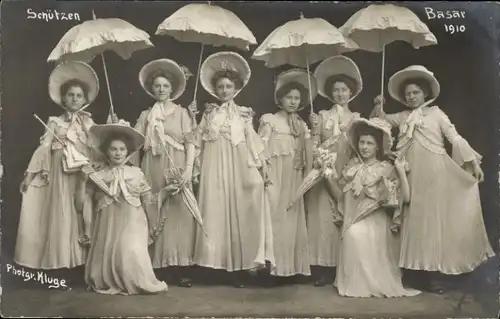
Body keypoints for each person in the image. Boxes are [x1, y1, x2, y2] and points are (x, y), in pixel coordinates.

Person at [371, 65, 495, 293]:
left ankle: (432, 272)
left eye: (415, 92)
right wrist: (378, 106)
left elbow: (454, 137)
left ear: (425, 93)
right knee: (412, 217)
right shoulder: (404, 116)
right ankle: (413, 271)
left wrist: (471, 163)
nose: (411, 97)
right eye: (408, 94)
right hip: (410, 173)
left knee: (431, 220)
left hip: (434, 172)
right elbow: (382, 120)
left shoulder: (436, 114)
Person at [187, 51, 275, 288]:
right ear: (215, 89)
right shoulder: (209, 113)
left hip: (238, 165)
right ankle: (214, 267)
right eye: (220, 86)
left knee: (241, 208)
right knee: (215, 211)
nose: (225, 90)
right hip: (214, 166)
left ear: (236, 88)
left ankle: (239, 266)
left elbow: (253, 143)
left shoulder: (244, 113)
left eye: (228, 86)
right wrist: (192, 116)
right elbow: (197, 140)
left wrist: (262, 168)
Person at [14, 61, 101, 285]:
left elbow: (97, 147)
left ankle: (82, 265)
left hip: (80, 176)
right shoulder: (54, 122)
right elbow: (43, 149)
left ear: (85, 99)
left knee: (82, 214)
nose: (74, 99)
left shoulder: (88, 123)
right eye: (70, 95)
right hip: (60, 177)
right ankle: (61, 265)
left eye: (78, 95)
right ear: (63, 99)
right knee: (62, 215)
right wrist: (30, 174)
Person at [331, 117, 421, 298]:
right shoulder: (352, 168)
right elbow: (340, 197)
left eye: (369, 143)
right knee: (351, 234)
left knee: (355, 235)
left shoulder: (385, 167)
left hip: (377, 221)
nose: (364, 147)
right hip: (355, 219)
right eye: (362, 142)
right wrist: (326, 175)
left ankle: (372, 284)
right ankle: (354, 284)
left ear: (377, 147)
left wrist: (401, 172)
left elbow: (406, 197)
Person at [79, 121, 169, 295]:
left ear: (128, 151)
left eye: (122, 149)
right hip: (109, 222)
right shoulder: (99, 175)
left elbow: (147, 200)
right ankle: (111, 280)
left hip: (134, 220)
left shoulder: (136, 174)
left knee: (132, 250)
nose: (118, 153)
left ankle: (137, 281)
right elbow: (83, 201)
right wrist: (83, 179)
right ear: (106, 151)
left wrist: (155, 216)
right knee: (113, 252)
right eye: (113, 149)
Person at [132, 59, 197, 288]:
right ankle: (156, 265)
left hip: (176, 166)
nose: (161, 90)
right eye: (157, 86)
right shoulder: (146, 116)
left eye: (165, 86)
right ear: (152, 89)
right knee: (155, 210)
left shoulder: (181, 113)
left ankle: (179, 266)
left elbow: (191, 143)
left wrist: (188, 169)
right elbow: (134, 142)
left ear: (172, 89)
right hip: (153, 166)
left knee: (178, 213)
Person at [306, 55, 363, 286]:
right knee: (323, 220)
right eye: (336, 90)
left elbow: (362, 144)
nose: (340, 94)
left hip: (348, 170)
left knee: (344, 217)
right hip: (325, 169)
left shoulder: (357, 117)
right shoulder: (322, 115)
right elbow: (316, 142)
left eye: (344, 90)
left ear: (351, 93)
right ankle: (322, 268)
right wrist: (315, 129)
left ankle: (344, 265)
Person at [257, 69, 315, 285]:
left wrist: (314, 131)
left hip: (294, 175)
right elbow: (260, 148)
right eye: (289, 97)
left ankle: (292, 268)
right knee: (275, 218)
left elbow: (310, 150)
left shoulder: (301, 124)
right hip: (275, 174)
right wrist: (263, 171)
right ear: (280, 99)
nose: (292, 102)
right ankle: (272, 269)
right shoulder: (270, 120)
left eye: (297, 98)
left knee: (293, 219)